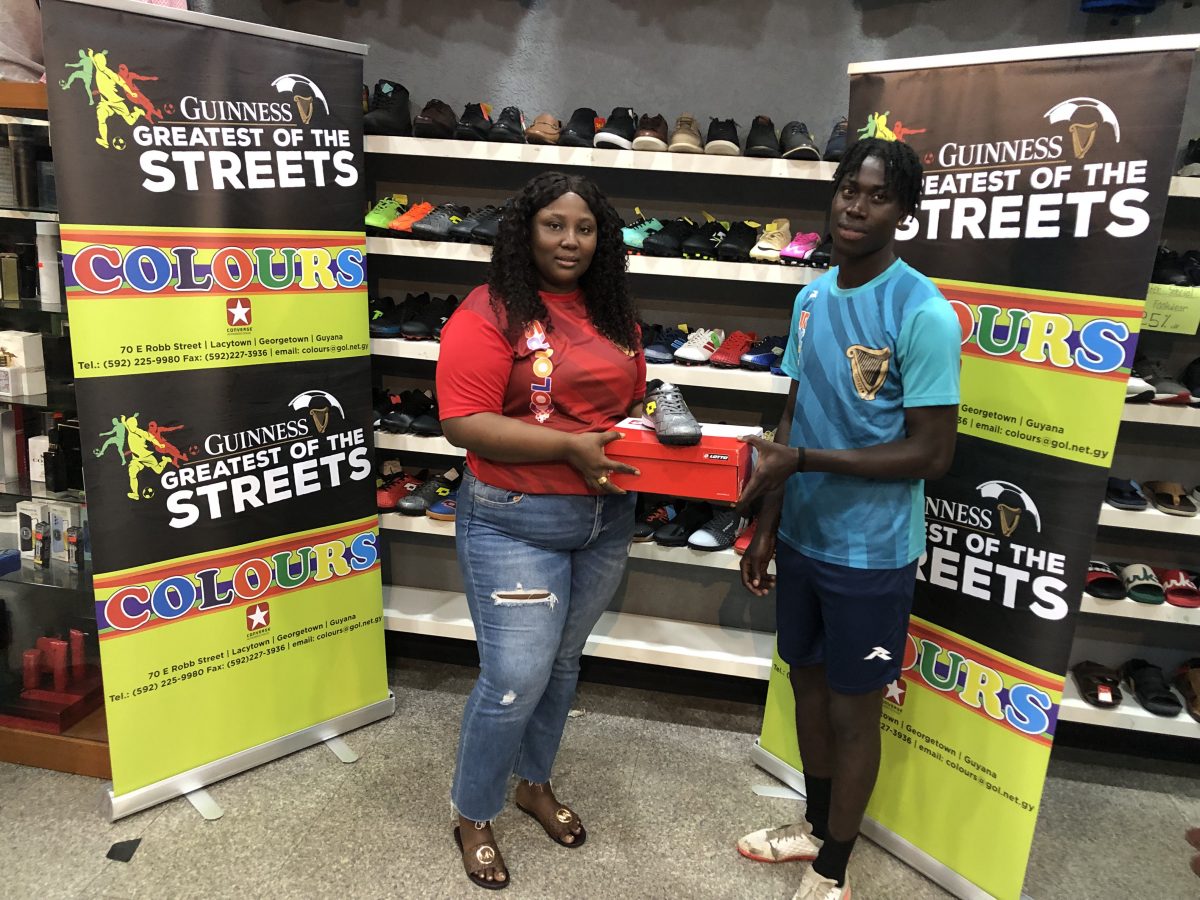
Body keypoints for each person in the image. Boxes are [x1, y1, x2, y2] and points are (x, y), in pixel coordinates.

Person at [733, 137, 962, 900]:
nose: (855, 206)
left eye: (877, 195)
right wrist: (767, 527)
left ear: (906, 212)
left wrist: (802, 467)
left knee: (854, 711)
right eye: (846, 190)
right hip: (802, 536)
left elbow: (930, 454)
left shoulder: (922, 311)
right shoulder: (810, 299)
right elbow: (794, 416)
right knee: (805, 684)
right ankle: (813, 826)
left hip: (872, 551)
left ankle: (834, 873)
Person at [436, 171, 645, 891]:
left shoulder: (611, 311)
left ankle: (533, 783)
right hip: (512, 520)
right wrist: (567, 447)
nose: (570, 240)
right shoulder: (489, 310)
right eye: (555, 224)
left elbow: (625, 401)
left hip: (604, 520)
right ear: (527, 229)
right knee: (514, 678)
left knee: (560, 667)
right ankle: (472, 811)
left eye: (585, 228)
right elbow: (463, 421)